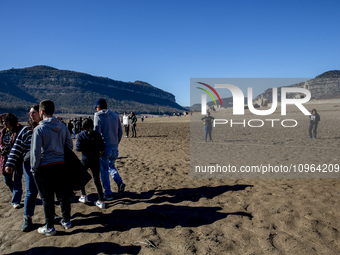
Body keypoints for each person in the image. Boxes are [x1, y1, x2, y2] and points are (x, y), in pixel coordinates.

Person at [31, 100, 73, 236]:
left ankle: (49, 227)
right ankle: (67, 221)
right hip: (61, 165)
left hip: (45, 167)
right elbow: (69, 146)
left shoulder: (39, 129)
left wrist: (34, 168)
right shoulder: (62, 126)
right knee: (63, 196)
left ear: (41, 111)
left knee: (47, 199)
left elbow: (36, 153)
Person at [4, 105, 40, 231]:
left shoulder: (47, 128)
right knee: (30, 192)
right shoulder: (26, 130)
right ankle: (27, 218)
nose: (31, 115)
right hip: (29, 165)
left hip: (45, 166)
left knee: (47, 193)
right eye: (30, 113)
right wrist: (9, 163)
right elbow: (17, 147)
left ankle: (52, 215)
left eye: (33, 112)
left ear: (41, 112)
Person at [94, 98, 125, 200]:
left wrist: (99, 148)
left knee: (104, 171)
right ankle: (119, 181)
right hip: (114, 147)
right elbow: (120, 132)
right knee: (111, 166)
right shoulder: (115, 116)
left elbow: (96, 133)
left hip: (104, 148)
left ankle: (108, 193)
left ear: (98, 107)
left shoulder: (97, 116)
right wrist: (116, 143)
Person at [76, 118, 105, 209]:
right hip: (95, 159)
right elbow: (102, 147)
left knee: (81, 177)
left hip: (85, 159)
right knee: (97, 179)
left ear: (83, 127)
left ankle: (83, 195)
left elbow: (78, 148)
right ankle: (101, 200)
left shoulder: (81, 135)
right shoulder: (97, 135)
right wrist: (99, 153)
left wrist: (85, 149)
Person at [0, 113, 23, 208]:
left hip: (17, 159)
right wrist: (1, 148)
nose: (4, 123)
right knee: (7, 180)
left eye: (6, 121)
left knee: (17, 180)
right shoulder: (3, 131)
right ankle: (16, 193)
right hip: (5, 159)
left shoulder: (18, 131)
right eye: (3, 121)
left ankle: (16, 201)